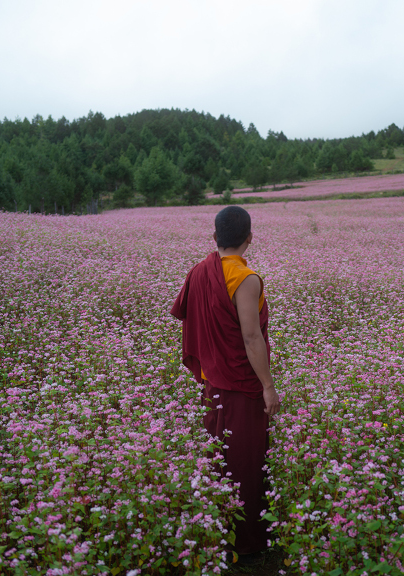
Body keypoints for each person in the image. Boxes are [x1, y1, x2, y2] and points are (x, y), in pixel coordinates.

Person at [170, 206, 281, 560]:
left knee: (220, 457)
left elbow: (189, 318)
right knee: (246, 463)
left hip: (214, 381)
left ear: (215, 237)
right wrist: (267, 385)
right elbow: (251, 337)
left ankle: (217, 532)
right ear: (250, 237)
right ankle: (247, 544)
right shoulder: (245, 278)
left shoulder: (199, 272)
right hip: (242, 386)